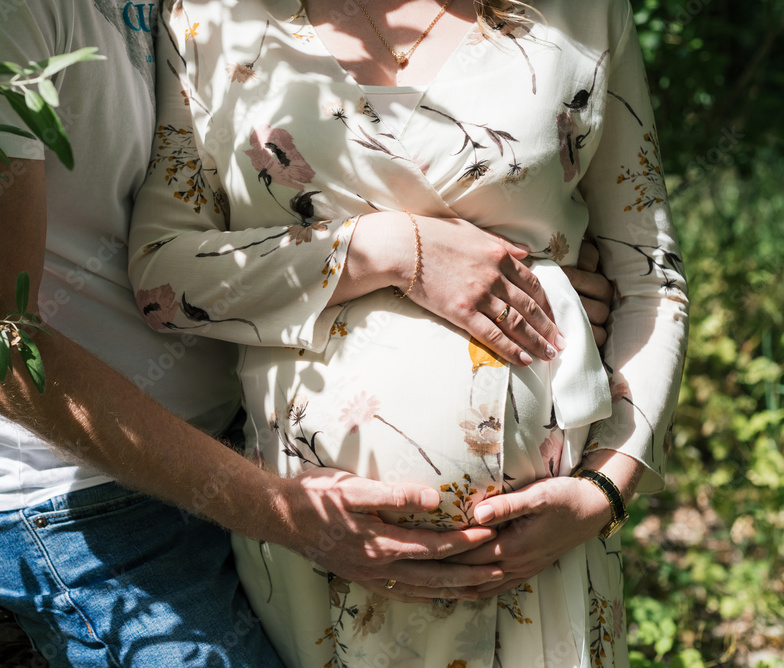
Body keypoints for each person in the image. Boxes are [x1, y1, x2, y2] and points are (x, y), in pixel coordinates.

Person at [0, 0, 616, 665]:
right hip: (89, 503)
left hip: (249, 443)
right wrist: (281, 513)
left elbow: (267, 193)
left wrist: (522, 274)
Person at [128, 0, 689, 665]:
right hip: (321, 561)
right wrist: (391, 248)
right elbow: (163, 275)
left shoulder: (580, 15)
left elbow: (651, 278)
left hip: (544, 568)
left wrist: (604, 489)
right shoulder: (216, 19)